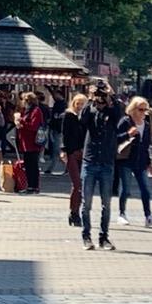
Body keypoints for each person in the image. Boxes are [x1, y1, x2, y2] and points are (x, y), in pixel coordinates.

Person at [77, 81, 122, 251]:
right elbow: (82, 119)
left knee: (106, 204)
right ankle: (86, 237)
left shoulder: (112, 111)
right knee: (86, 203)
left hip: (106, 163)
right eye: (99, 97)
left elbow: (120, 112)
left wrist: (111, 94)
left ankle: (104, 237)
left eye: (102, 98)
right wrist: (90, 98)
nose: (101, 101)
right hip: (89, 161)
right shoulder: (90, 110)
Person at [116, 96, 152, 226]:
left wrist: (149, 163)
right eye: (140, 109)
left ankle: (148, 216)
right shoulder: (125, 122)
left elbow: (146, 145)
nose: (143, 113)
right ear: (133, 109)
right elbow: (115, 138)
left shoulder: (146, 125)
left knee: (145, 189)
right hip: (126, 160)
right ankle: (122, 214)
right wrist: (128, 134)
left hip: (140, 161)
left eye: (145, 110)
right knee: (126, 189)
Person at [58, 93, 88, 226]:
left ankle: (75, 211)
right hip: (71, 152)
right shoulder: (68, 116)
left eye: (83, 104)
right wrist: (63, 150)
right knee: (77, 184)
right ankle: (74, 213)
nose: (80, 106)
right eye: (78, 103)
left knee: (82, 185)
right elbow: (64, 134)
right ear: (74, 103)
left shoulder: (86, 117)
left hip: (84, 153)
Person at [14, 91, 45, 194]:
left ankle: (34, 186)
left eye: (24, 100)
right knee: (28, 164)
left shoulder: (36, 111)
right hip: (25, 142)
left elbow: (33, 126)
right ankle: (30, 186)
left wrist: (21, 121)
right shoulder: (26, 110)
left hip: (33, 142)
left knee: (33, 165)